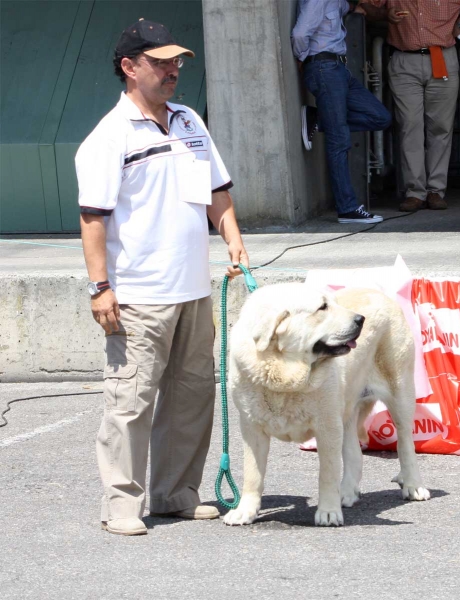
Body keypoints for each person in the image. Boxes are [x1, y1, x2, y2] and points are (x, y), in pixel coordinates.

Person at [76, 19, 249, 536]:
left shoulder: (190, 120)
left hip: (194, 290)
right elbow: (92, 218)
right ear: (130, 68)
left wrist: (232, 235)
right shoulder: (109, 137)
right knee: (130, 401)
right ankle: (121, 504)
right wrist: (100, 287)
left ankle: (176, 493)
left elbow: (217, 190)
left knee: (192, 395)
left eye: (177, 61)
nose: (173, 70)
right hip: (139, 295)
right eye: (160, 62)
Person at [362, 0, 460, 212]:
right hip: (404, 59)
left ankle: (435, 191)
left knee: (440, 127)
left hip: (441, 56)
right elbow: (366, 5)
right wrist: (385, 14)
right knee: (409, 125)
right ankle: (414, 192)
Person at [292, 0, 392, 224]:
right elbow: (300, 34)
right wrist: (302, 58)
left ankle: (318, 119)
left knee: (380, 117)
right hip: (323, 67)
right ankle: (347, 209)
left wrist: (359, 8)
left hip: (339, 69)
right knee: (340, 141)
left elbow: (354, 7)